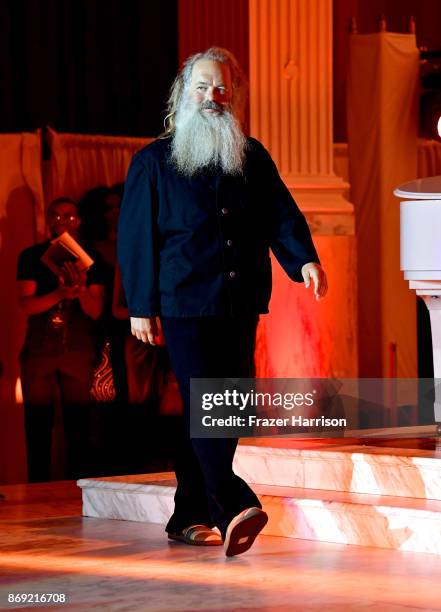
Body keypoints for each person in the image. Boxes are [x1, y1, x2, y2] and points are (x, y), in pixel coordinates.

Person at [117, 47, 327, 557]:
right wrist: (140, 305)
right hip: (183, 301)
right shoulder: (153, 161)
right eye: (203, 86)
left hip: (240, 299)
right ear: (183, 93)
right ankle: (232, 504)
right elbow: (136, 238)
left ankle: (188, 511)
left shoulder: (250, 155)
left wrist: (303, 260)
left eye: (222, 88)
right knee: (205, 402)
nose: (214, 96)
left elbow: (280, 213)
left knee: (224, 409)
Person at [17, 197, 105, 482]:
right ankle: (37, 489)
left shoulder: (92, 259)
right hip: (40, 349)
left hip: (77, 349)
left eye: (68, 217)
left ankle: (78, 489)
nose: (60, 221)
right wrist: (59, 293)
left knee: (78, 425)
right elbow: (26, 304)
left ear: (77, 221)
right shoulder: (31, 256)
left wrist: (79, 290)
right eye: (55, 216)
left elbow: (96, 310)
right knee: (37, 424)